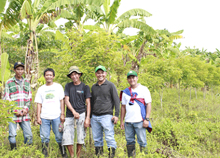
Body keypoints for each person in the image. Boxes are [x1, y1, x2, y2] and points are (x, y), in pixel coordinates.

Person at [34, 68, 67, 158]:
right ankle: (45, 154)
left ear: (53, 76)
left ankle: (64, 153)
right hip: (44, 117)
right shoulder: (41, 89)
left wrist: (62, 114)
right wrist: (38, 117)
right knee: (44, 137)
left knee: (59, 136)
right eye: (47, 75)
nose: (48, 77)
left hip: (57, 116)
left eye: (50, 75)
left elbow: (62, 101)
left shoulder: (58, 87)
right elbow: (39, 104)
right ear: (44, 76)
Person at [120, 70, 152, 157]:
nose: (131, 79)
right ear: (127, 80)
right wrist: (122, 121)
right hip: (128, 122)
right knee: (129, 141)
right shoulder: (125, 92)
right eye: (129, 78)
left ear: (137, 78)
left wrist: (147, 119)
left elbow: (148, 104)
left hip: (140, 121)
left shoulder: (144, 89)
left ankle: (143, 156)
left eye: (133, 77)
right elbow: (123, 107)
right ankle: (131, 156)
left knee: (142, 141)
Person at [91, 65, 120, 158]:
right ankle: (99, 155)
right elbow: (92, 102)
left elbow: (116, 100)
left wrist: (116, 115)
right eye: (98, 73)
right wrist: (90, 116)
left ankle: (111, 155)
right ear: (96, 74)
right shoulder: (94, 87)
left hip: (107, 115)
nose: (100, 75)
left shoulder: (110, 85)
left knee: (109, 137)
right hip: (95, 116)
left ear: (105, 74)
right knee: (96, 139)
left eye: (102, 73)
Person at [62, 66, 91, 158]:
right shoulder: (68, 86)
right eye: (72, 75)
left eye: (75, 74)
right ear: (70, 76)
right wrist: (73, 112)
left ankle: (77, 155)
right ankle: (72, 155)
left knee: (80, 136)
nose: (74, 76)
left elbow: (88, 103)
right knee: (67, 136)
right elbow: (66, 100)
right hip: (70, 115)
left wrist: (87, 118)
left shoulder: (85, 87)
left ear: (79, 75)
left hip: (82, 114)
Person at [3, 62, 33, 150]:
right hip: (13, 113)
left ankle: (27, 151)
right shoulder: (9, 82)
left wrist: (25, 109)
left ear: (23, 70)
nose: (20, 71)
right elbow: (6, 97)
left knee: (29, 135)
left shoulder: (27, 82)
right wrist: (15, 110)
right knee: (12, 134)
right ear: (14, 70)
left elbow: (29, 97)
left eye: (21, 69)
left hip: (24, 113)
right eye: (18, 69)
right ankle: (14, 152)